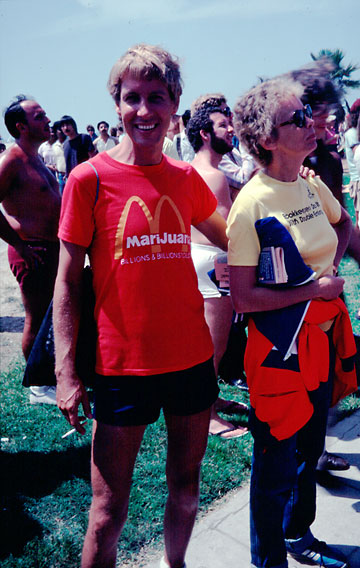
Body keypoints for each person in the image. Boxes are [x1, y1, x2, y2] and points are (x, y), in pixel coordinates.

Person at [53, 43, 228, 568]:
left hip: (191, 360)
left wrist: (283, 182)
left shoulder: (184, 179)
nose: (144, 111)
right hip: (120, 366)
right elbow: (66, 283)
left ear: (175, 105)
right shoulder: (90, 179)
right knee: (107, 513)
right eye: (133, 98)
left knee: (187, 488)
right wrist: (65, 370)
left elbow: (233, 238)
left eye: (157, 97)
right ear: (117, 105)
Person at [227, 77, 356, 568]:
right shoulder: (251, 205)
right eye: (297, 118)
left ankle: (299, 535)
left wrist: (331, 268)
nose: (310, 123)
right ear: (266, 139)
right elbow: (241, 296)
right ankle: (269, 560)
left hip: (319, 345)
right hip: (280, 354)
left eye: (307, 113)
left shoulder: (308, 180)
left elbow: (343, 224)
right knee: (276, 466)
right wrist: (313, 290)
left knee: (308, 453)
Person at [187, 105, 248, 439]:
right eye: (223, 126)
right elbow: (227, 230)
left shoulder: (191, 170)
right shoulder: (214, 176)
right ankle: (207, 415)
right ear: (204, 134)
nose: (230, 130)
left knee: (203, 342)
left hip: (198, 261)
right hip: (214, 262)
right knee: (214, 345)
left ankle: (211, 401)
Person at [0, 95, 61, 404]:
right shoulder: (11, 159)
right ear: (21, 126)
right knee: (35, 317)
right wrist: (19, 245)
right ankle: (38, 386)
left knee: (53, 315)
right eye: (40, 117)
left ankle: (50, 376)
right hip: (32, 249)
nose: (47, 120)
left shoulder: (36, 157)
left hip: (51, 248)